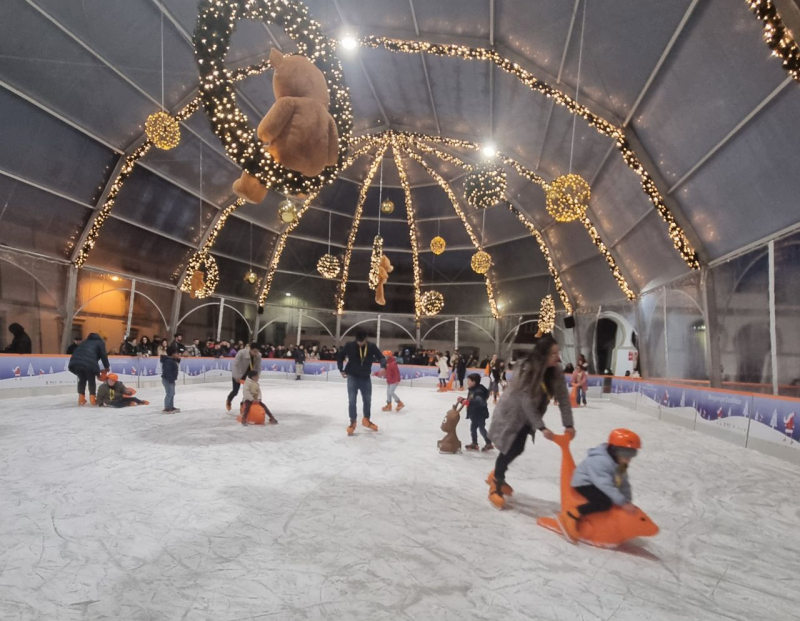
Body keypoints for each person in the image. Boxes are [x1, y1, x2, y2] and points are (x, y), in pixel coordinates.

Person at [487, 336, 575, 509]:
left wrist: (568, 424)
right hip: (511, 413)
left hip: (529, 415)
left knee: (518, 448)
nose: (557, 357)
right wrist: (541, 426)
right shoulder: (526, 368)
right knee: (509, 447)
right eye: (553, 354)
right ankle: (496, 482)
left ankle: (497, 474)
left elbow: (563, 398)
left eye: (558, 353)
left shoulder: (555, 372)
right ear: (542, 355)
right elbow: (524, 399)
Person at [559, 428, 641, 542]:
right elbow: (605, 485)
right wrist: (622, 502)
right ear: (615, 450)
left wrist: (627, 501)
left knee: (614, 499)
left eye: (632, 454)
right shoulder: (600, 461)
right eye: (626, 454)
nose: (628, 459)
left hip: (598, 482)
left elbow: (624, 483)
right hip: (585, 482)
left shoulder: (620, 462)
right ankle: (570, 515)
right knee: (604, 502)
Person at [337, 330, 386, 436]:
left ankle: (366, 420)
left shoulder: (371, 347)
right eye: (358, 341)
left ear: (365, 339)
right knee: (352, 400)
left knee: (367, 400)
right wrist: (341, 369)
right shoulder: (349, 345)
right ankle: (353, 422)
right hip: (352, 376)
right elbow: (340, 356)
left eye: (362, 342)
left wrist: (383, 366)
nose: (360, 344)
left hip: (365, 378)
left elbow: (381, 357)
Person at [68, 332, 110, 406]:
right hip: (89, 363)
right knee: (91, 380)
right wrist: (107, 366)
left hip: (75, 363)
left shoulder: (84, 342)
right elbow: (104, 355)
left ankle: (81, 399)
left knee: (82, 379)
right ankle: (92, 399)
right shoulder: (100, 342)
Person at [460, 373, 493, 451]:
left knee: (481, 428)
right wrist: (463, 400)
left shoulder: (479, 390)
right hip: (474, 413)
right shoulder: (473, 389)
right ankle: (474, 443)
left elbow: (479, 401)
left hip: (480, 413)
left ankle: (489, 443)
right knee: (473, 428)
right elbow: (470, 400)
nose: (467, 382)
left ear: (474, 381)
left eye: (469, 381)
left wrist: (467, 402)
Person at [226, 342, 262, 411]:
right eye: (254, 351)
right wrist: (236, 376)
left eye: (257, 352)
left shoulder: (258, 356)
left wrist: (257, 376)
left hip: (249, 376)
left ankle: (243, 405)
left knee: (248, 392)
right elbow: (235, 365)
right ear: (250, 349)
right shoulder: (241, 353)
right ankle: (229, 400)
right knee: (235, 391)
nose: (256, 354)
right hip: (238, 374)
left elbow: (258, 367)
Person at [161, 345, 180, 413]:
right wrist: (171, 380)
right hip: (168, 379)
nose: (178, 354)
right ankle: (167, 408)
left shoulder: (171, 360)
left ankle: (171, 407)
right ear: (173, 354)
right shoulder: (168, 362)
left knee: (172, 393)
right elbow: (167, 371)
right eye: (176, 353)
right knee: (169, 393)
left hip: (170, 379)